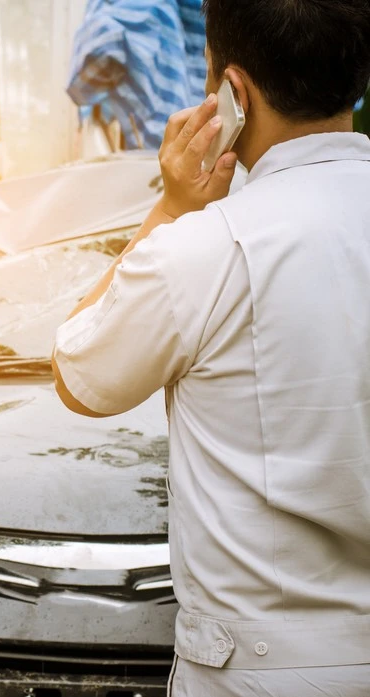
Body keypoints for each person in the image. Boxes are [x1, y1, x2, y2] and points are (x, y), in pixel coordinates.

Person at [50, 1, 370, 695]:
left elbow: (78, 372)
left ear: (233, 92)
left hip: (254, 671)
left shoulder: (199, 249)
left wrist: (170, 209)